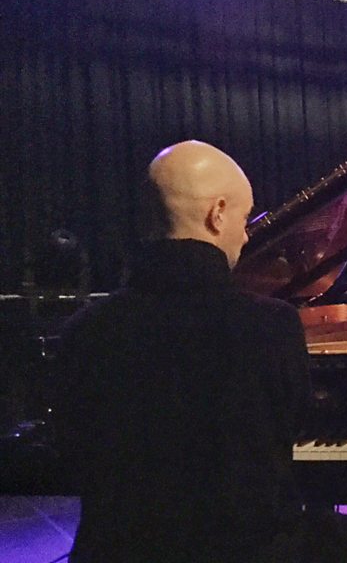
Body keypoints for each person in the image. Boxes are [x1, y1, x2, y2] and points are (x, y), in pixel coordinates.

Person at [55, 141, 312, 562]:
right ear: (217, 214)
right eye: (244, 219)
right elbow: (290, 432)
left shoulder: (83, 330)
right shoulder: (271, 326)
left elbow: (73, 455)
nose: (247, 235)